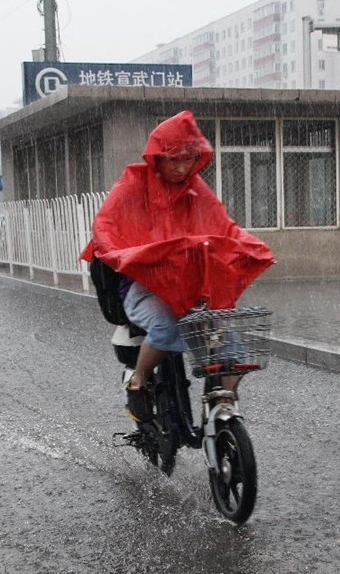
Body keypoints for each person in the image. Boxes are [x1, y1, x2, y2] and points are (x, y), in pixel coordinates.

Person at [81, 110, 274, 422]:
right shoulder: (132, 185)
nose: (182, 167)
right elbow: (105, 227)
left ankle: (224, 404)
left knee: (233, 349)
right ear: (156, 157)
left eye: (188, 158)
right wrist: (134, 254)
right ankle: (138, 380)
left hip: (189, 287)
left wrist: (249, 246)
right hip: (145, 283)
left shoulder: (197, 191)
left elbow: (223, 226)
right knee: (167, 325)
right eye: (173, 159)